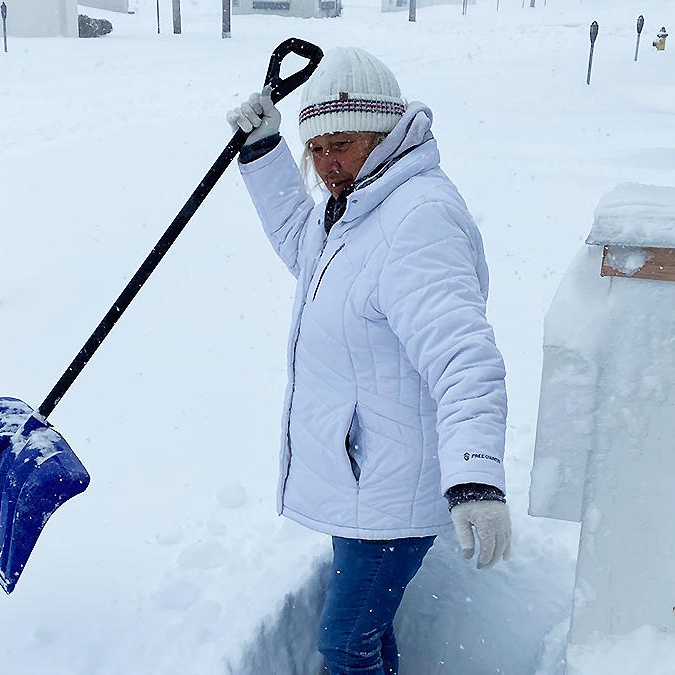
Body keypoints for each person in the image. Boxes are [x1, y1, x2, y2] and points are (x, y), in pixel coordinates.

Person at [227, 47, 512, 675]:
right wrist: (264, 152)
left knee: (344, 641)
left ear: (383, 132)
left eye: (343, 144)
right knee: (363, 633)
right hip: (366, 471)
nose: (328, 165)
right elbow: (303, 245)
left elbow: (464, 356)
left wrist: (476, 476)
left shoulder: (417, 219)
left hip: (395, 481)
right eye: (317, 147)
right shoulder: (360, 204)